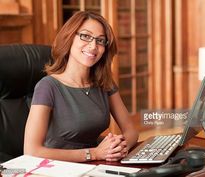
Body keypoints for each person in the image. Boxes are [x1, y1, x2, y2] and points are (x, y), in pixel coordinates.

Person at [24, 11, 138, 162]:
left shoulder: (104, 82)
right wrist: (94, 153)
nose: (93, 46)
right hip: (58, 168)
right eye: (85, 36)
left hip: (95, 164)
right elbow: (31, 151)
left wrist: (118, 148)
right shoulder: (47, 86)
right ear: (69, 38)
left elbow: (131, 131)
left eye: (100, 40)